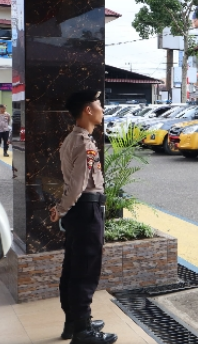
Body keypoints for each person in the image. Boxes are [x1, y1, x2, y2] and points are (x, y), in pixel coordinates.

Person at [49, 90, 117, 344]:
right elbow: (78, 184)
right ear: (88, 110)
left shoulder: (71, 139)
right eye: (99, 105)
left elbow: (71, 183)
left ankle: (75, 322)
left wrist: (63, 208)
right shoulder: (84, 143)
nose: (102, 109)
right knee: (85, 271)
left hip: (80, 211)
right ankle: (83, 333)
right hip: (87, 211)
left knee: (73, 268)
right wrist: (62, 209)